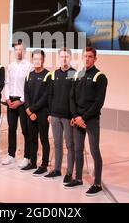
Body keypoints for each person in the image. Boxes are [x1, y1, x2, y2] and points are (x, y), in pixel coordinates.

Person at [66, 47, 107, 196]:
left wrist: (83, 118)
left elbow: (98, 102)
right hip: (78, 119)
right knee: (78, 150)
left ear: (95, 59)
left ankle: (97, 184)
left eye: (90, 56)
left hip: (91, 120)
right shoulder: (77, 74)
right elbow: (72, 98)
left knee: (94, 151)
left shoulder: (100, 76)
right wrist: (75, 116)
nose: (87, 59)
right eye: (85, 56)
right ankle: (78, 179)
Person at [44, 47, 76, 184]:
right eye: (61, 56)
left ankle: (69, 172)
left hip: (68, 116)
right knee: (57, 143)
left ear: (70, 58)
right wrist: (50, 113)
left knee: (69, 145)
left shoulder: (74, 74)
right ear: (59, 58)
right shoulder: (54, 74)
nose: (64, 59)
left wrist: (74, 115)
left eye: (66, 57)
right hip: (55, 115)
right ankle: (57, 169)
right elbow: (50, 95)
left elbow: (76, 96)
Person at [2, 41, 33, 167]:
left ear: (24, 51)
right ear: (14, 51)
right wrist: (8, 99)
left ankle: (27, 156)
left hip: (22, 102)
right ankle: (11, 155)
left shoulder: (29, 66)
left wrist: (21, 101)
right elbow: (7, 83)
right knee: (11, 129)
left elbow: (29, 87)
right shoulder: (10, 66)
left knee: (25, 130)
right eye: (16, 50)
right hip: (11, 101)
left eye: (21, 50)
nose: (18, 52)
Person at [22, 49, 51, 176]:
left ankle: (44, 165)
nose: (37, 61)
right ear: (32, 60)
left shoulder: (48, 75)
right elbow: (26, 94)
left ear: (43, 60)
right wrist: (28, 110)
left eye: (39, 59)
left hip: (42, 113)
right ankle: (33, 162)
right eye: (35, 59)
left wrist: (32, 109)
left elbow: (46, 96)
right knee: (32, 138)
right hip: (30, 113)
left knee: (44, 139)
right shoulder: (29, 75)